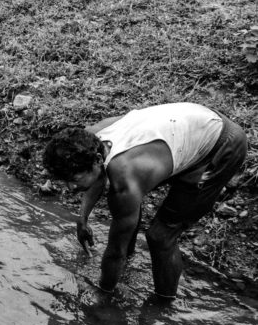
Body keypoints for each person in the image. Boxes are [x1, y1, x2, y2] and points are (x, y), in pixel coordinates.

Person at [42, 102, 247, 299]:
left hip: (222, 145)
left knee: (161, 235)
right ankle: (128, 263)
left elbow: (114, 253)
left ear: (97, 160)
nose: (70, 188)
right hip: (190, 123)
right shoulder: (89, 139)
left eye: (75, 180)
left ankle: (163, 305)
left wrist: (103, 294)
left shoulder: (125, 175)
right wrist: (83, 218)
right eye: (66, 181)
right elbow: (96, 175)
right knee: (126, 208)